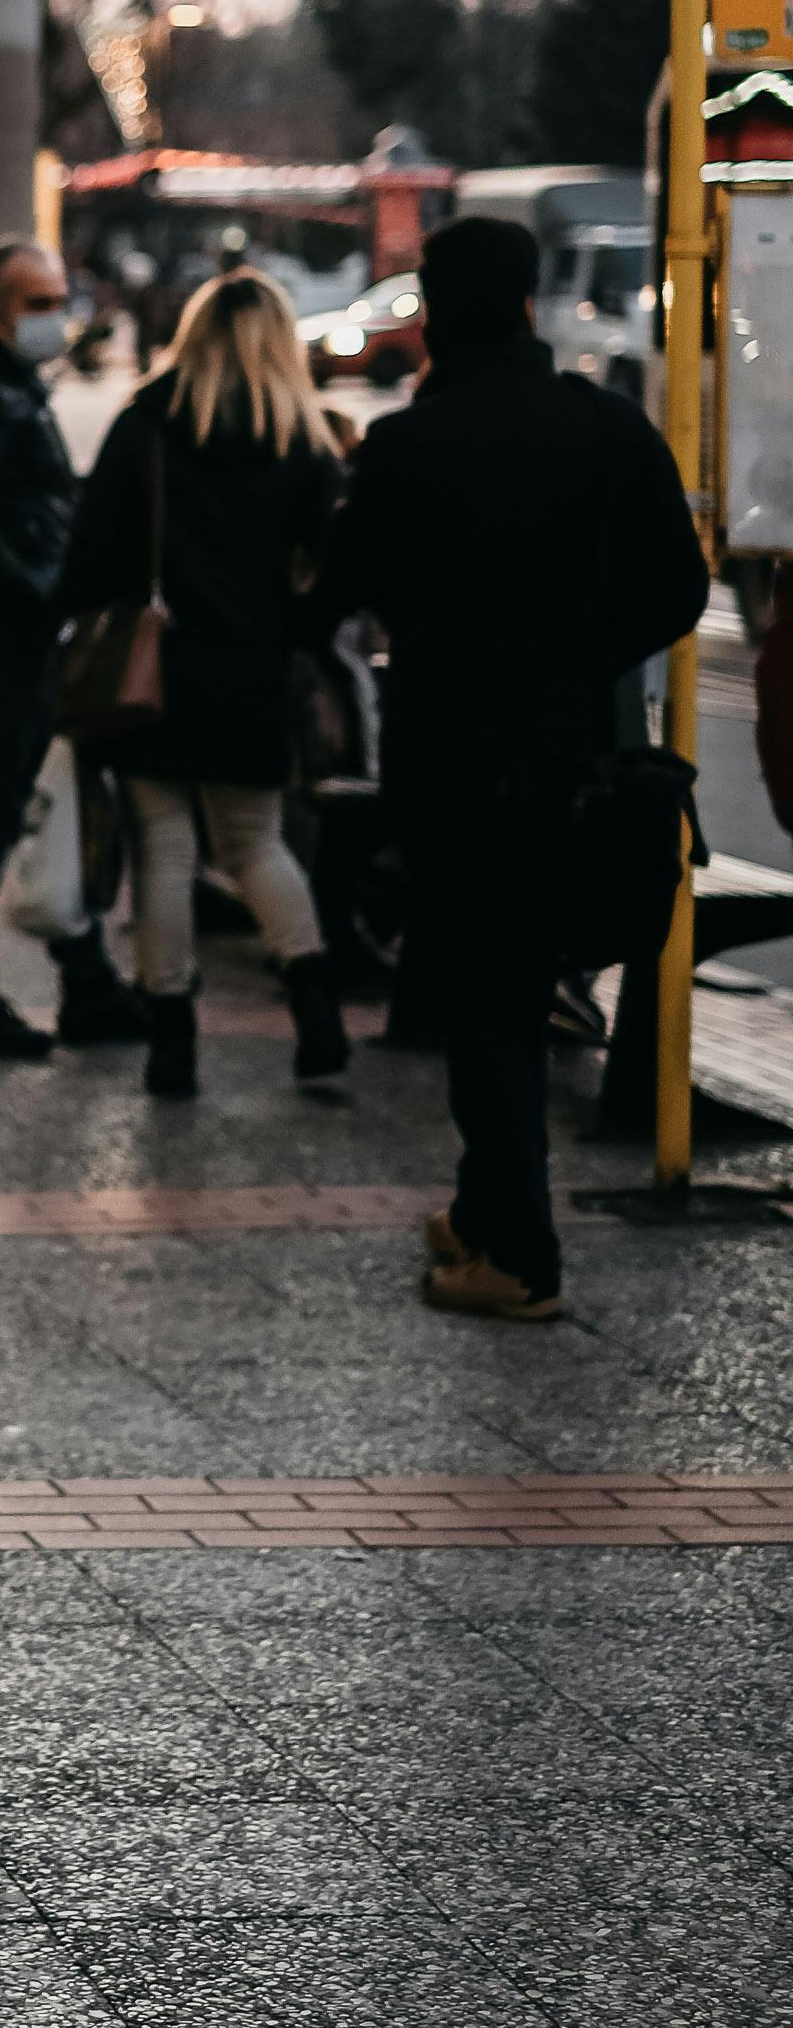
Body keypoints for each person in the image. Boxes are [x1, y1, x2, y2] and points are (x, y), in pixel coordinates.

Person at [307, 214, 708, 1320]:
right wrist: (580, 659)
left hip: (446, 762)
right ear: (530, 301)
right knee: (524, 987)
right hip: (570, 762)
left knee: (481, 999)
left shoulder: (404, 449)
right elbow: (677, 589)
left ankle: (519, 1254)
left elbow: (335, 596)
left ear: (433, 313)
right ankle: (485, 1212)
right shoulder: (608, 430)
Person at [60, 270, 346, 1100]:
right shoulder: (300, 437)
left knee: (166, 846)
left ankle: (173, 1041)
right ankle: (316, 1007)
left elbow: (93, 551)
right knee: (257, 844)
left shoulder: (149, 422)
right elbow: (331, 564)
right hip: (254, 670)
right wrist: (293, 630)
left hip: (155, 669)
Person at [0, 238, 145, 1058]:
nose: (55, 317)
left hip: (9, 626)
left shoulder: (2, 382)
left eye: (59, 299)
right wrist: (46, 600)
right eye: (36, 304)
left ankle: (82, 981)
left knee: (32, 804)